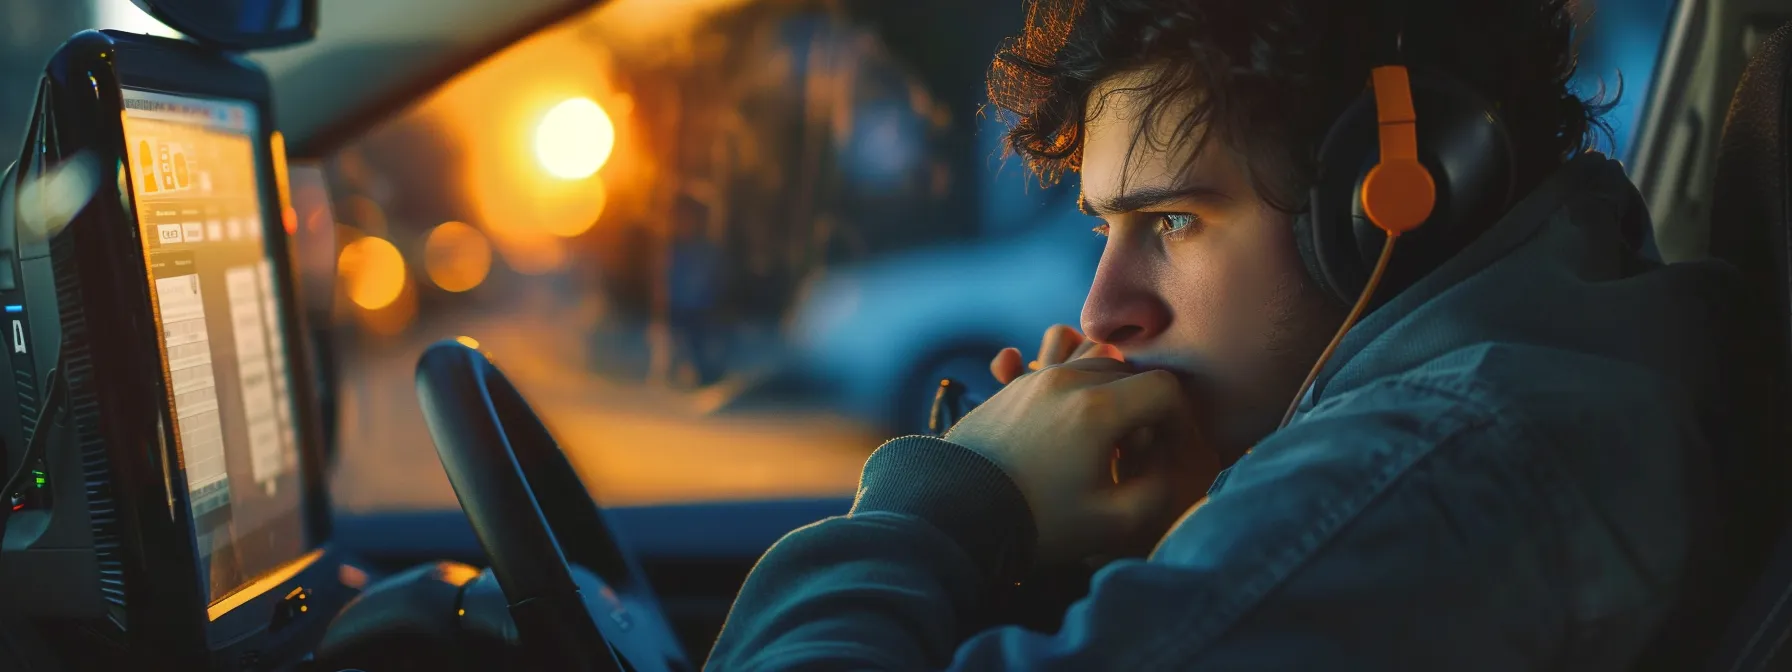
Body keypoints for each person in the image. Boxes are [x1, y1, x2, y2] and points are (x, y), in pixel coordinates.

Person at [705, 0, 1751, 669]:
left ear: (1394, 199)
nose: (1104, 310)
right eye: (1104, 230)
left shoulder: (1420, 479)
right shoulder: (1524, 396)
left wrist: (949, 499)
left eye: (1171, 221)